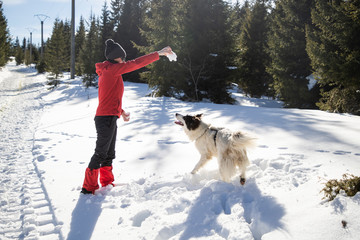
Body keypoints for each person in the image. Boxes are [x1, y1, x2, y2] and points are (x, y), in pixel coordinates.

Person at [81, 39, 172, 194]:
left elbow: (108, 96)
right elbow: (136, 63)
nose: (123, 60)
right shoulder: (112, 69)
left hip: (109, 116)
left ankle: (107, 183)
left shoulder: (108, 70)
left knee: (109, 153)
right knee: (101, 153)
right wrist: (159, 53)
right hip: (106, 118)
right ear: (115, 57)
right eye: (121, 58)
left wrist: (120, 111)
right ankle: (88, 188)